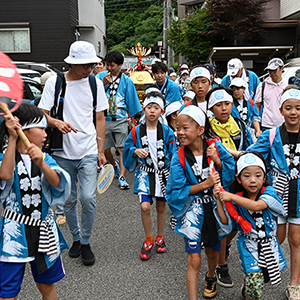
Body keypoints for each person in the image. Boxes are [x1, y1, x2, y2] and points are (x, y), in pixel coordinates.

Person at [39, 41, 108, 266]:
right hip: (61, 152)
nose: (89, 69)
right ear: (72, 63)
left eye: (91, 64)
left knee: (88, 198)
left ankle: (86, 241)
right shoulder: (55, 83)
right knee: (68, 200)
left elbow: (99, 118)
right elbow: (41, 114)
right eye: (84, 65)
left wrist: (100, 150)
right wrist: (56, 122)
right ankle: (76, 238)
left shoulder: (95, 84)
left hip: (88, 149)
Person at [0, 103, 71, 299]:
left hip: (43, 230)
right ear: (25, 130)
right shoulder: (7, 157)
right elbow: (5, 175)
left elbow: (57, 183)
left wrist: (41, 163)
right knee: (8, 292)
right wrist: (13, 138)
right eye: (41, 128)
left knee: (46, 286)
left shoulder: (45, 158)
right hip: (14, 234)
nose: (45, 133)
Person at [165, 105, 235, 299]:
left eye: (185, 128)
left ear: (200, 130)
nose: (180, 132)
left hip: (213, 209)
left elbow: (230, 175)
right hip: (192, 212)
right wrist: (205, 184)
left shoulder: (216, 147)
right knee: (194, 259)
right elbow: (174, 191)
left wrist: (218, 162)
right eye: (177, 128)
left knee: (213, 253)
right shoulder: (179, 157)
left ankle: (211, 276)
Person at [242, 86, 300, 300]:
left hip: (299, 196)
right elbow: (252, 156)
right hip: (275, 195)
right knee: (275, 236)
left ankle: (294, 284)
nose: (293, 112)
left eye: (298, 108)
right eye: (288, 108)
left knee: (296, 239)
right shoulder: (272, 134)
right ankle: (255, 276)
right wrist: (227, 155)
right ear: (280, 109)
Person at [214, 152, 286, 300]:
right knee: (255, 282)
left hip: (269, 243)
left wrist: (231, 196)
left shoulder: (270, 193)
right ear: (238, 179)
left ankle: (248, 287)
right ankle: (250, 291)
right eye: (247, 176)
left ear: (265, 177)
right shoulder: (237, 198)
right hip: (248, 244)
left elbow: (256, 206)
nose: (253, 180)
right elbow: (226, 222)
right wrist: (219, 201)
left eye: (258, 175)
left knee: (263, 276)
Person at [123, 91, 176, 261]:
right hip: (144, 173)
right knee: (145, 206)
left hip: (162, 173)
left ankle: (160, 236)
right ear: (144, 109)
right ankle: (148, 237)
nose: (152, 111)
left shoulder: (167, 131)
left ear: (162, 110)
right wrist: (134, 151)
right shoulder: (136, 131)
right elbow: (127, 149)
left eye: (156, 107)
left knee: (161, 207)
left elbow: (174, 153)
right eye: (149, 107)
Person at [97, 50, 142, 190]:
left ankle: (122, 177)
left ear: (120, 65)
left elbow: (132, 101)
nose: (109, 68)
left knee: (122, 148)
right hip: (103, 118)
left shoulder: (127, 80)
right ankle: (115, 165)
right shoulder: (100, 77)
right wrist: (102, 83)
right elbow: (91, 93)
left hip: (121, 118)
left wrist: (134, 119)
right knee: (105, 150)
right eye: (107, 65)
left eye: (112, 65)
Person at [255, 58, 288, 131]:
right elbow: (257, 105)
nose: (272, 73)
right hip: (266, 125)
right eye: (270, 70)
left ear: (282, 69)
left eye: (274, 70)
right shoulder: (262, 86)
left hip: (284, 124)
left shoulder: (287, 86)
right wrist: (257, 126)